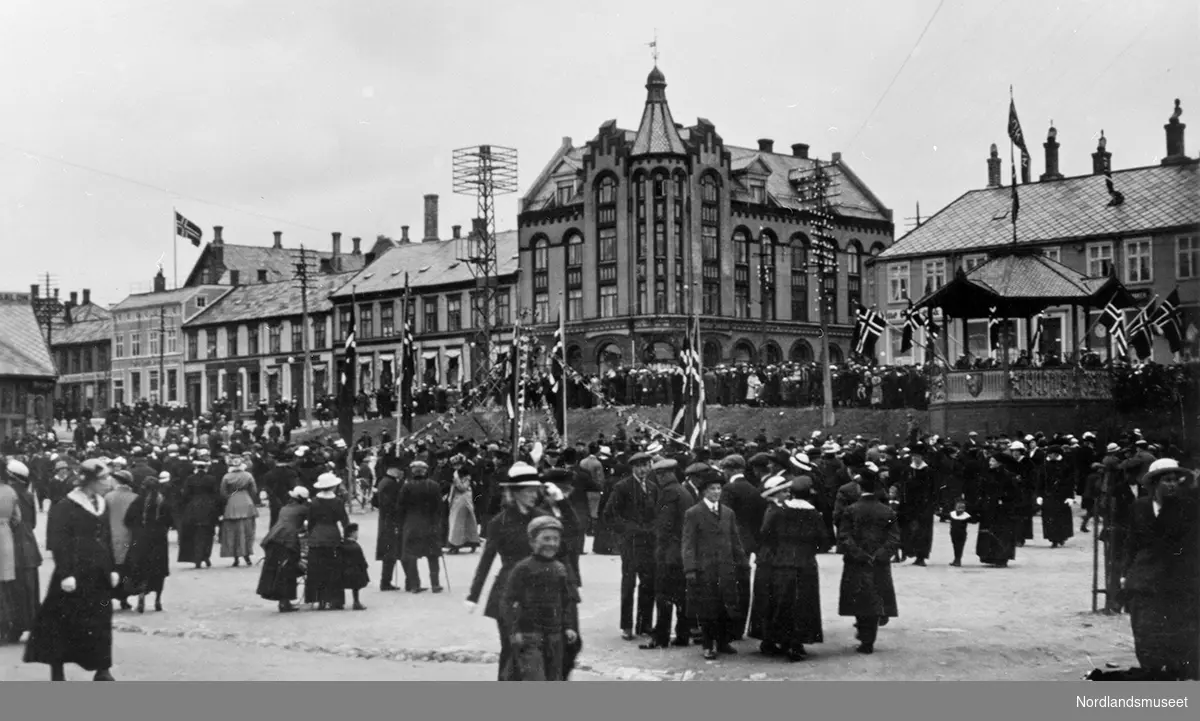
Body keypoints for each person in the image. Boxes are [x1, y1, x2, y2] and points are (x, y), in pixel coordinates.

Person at [23, 459, 119, 681]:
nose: (108, 482)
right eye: (104, 478)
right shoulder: (65, 506)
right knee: (63, 623)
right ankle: (57, 670)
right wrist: (66, 573)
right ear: (89, 481)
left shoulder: (103, 504)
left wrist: (112, 567)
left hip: (99, 575)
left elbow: (107, 538)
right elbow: (58, 542)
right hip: (74, 574)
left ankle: (102, 668)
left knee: (101, 621)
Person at [466, 462, 553, 681]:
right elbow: (486, 560)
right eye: (529, 490)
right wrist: (473, 596)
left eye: (536, 490)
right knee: (511, 650)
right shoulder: (499, 522)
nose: (534, 495)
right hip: (508, 594)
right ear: (515, 493)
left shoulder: (543, 518)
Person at [1120, 459, 1198, 680]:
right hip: (1143, 579)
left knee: (1175, 630)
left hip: (1175, 579)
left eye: (1175, 480)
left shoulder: (1188, 508)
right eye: (1167, 480)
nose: (1172, 485)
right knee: (1144, 629)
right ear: (1154, 483)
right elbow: (1131, 542)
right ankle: (1151, 670)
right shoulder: (1140, 506)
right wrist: (1126, 573)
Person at [500, 516, 580, 681]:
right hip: (529, 635)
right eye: (546, 538)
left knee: (554, 677)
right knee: (535, 678)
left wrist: (569, 626)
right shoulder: (523, 568)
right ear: (532, 541)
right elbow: (507, 601)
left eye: (555, 539)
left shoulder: (559, 569)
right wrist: (514, 631)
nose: (551, 543)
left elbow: (566, 601)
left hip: (555, 636)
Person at [758, 474, 827, 662]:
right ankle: (797, 643)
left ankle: (782, 639)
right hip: (806, 565)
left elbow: (766, 534)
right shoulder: (814, 515)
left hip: (782, 563)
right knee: (804, 604)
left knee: (783, 602)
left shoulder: (780, 512)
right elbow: (823, 541)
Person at [681, 468, 747, 661]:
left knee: (725, 605)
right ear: (704, 492)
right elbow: (688, 543)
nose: (717, 492)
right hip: (705, 569)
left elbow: (735, 540)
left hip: (726, 568)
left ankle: (723, 641)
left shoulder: (728, 513)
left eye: (719, 488)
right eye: (712, 489)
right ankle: (708, 644)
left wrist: (742, 562)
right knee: (708, 609)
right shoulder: (693, 513)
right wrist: (690, 568)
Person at [836, 471, 900, 654]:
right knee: (875, 597)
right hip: (878, 563)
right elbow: (894, 538)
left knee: (859, 597)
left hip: (856, 562)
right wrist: (880, 554)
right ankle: (869, 639)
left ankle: (863, 634)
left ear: (859, 488)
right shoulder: (888, 511)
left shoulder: (850, 510)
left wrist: (858, 553)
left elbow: (844, 536)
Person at [639, 461, 699, 651]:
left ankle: (661, 637)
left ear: (662, 475)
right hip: (683, 552)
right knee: (681, 596)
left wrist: (657, 548)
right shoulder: (683, 491)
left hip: (669, 554)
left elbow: (664, 526)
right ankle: (682, 634)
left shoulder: (668, 493)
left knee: (663, 595)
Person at [606, 451, 658, 640]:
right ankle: (626, 626)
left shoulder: (653, 487)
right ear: (633, 468)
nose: (643, 470)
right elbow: (610, 514)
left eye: (646, 465)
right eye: (639, 466)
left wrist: (653, 528)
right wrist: (629, 530)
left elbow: (657, 512)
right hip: (630, 543)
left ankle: (644, 624)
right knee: (629, 584)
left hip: (649, 543)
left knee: (648, 583)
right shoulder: (622, 487)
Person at [2, 459, 42, 643]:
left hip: (12, 545)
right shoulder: (26, 494)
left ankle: (14, 628)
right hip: (29, 546)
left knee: (13, 591)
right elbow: (33, 522)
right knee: (29, 589)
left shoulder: (9, 493)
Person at [123, 471, 174, 613]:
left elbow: (128, 519)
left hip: (141, 538)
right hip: (159, 539)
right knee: (158, 569)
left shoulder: (138, 501)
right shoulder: (162, 501)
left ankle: (141, 597)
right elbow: (170, 521)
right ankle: (157, 600)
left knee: (141, 568)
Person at [257, 486, 310, 613]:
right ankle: (285, 602)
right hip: (287, 540)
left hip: (273, 537)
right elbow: (306, 526)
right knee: (287, 570)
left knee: (277, 570)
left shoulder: (285, 508)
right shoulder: (303, 509)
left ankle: (282, 601)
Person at [396, 460, 444, 593]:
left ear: (412, 472)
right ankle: (435, 584)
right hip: (430, 524)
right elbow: (439, 507)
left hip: (412, 525)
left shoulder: (406, 487)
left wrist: (400, 525)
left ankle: (414, 584)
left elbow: (400, 507)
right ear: (425, 471)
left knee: (411, 555)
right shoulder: (434, 485)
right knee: (433, 555)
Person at [305, 473, 350, 610]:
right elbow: (344, 521)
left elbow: (310, 521)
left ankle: (319, 598)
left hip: (316, 536)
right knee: (333, 568)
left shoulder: (314, 502)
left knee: (316, 568)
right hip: (332, 534)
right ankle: (334, 598)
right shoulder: (337, 501)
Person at [974, 453, 1020, 567]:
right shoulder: (986, 475)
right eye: (990, 460)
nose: (990, 463)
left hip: (1002, 509)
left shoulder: (1008, 476)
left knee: (1002, 533)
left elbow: (1014, 494)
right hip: (988, 508)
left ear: (999, 463)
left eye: (993, 461)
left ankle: (1001, 557)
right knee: (989, 532)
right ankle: (988, 556)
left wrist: (1003, 499)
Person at [103, 469, 137, 610]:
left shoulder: (108, 497)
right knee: (126, 569)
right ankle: (124, 598)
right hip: (129, 537)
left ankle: (108, 598)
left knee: (111, 568)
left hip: (111, 536)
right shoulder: (135, 497)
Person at [177, 459, 221, 569]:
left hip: (193, 508)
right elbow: (216, 495)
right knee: (208, 533)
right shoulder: (211, 479)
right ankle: (205, 555)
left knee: (195, 533)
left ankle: (196, 557)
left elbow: (185, 495)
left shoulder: (190, 479)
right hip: (208, 508)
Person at [219, 455, 258, 567]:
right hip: (246, 502)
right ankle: (247, 554)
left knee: (232, 531)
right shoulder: (248, 475)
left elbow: (223, 492)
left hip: (232, 502)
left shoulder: (226, 477)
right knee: (248, 531)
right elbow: (254, 490)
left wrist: (229, 498)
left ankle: (236, 557)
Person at [446, 465, 481, 554]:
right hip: (458, 503)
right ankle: (459, 544)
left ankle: (455, 545)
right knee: (458, 524)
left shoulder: (466, 479)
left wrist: (456, 479)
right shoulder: (458, 478)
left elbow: (462, 488)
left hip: (462, 503)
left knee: (457, 525)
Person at [341, 523, 369, 611]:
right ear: (352, 533)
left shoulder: (341, 545)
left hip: (342, 573)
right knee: (358, 572)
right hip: (354, 575)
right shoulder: (356, 547)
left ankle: (338, 602)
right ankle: (356, 601)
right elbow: (362, 562)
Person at [947, 499, 975, 567]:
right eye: (958, 507)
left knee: (959, 547)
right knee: (955, 546)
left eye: (962, 508)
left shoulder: (966, 516)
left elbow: (974, 521)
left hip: (961, 534)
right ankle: (956, 559)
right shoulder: (952, 514)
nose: (960, 509)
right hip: (953, 533)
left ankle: (958, 560)